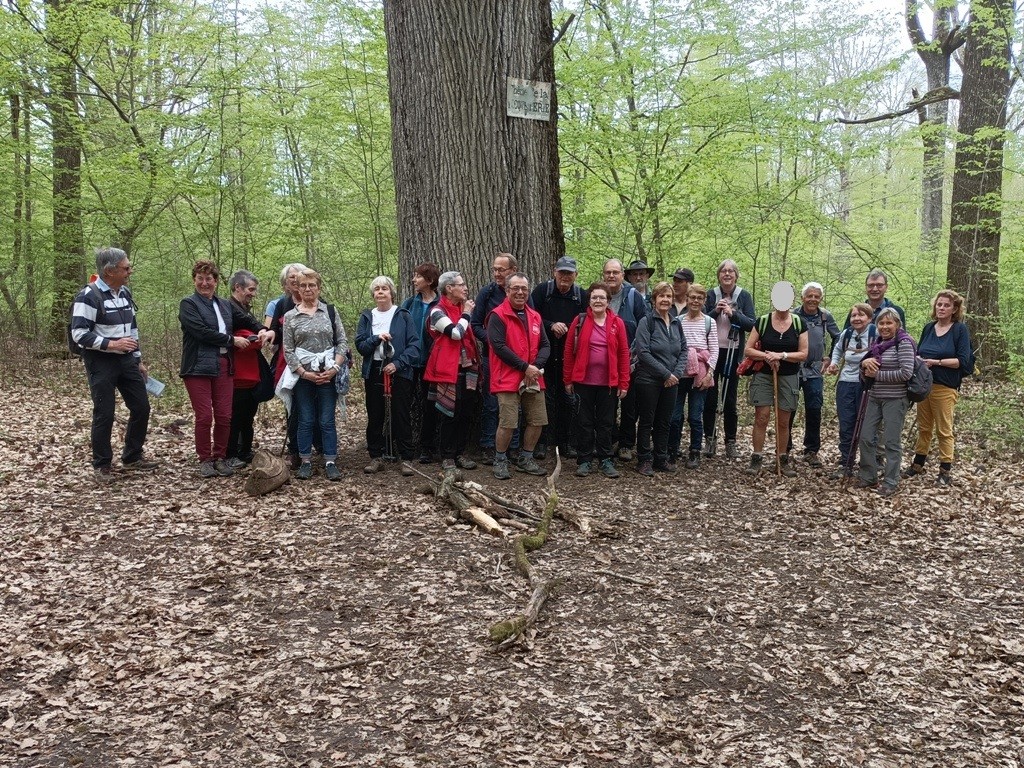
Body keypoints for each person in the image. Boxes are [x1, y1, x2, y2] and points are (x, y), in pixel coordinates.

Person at [70, 247, 156, 483]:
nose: (130, 271)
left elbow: (132, 328)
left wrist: (137, 358)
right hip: (101, 361)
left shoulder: (124, 293)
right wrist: (111, 344)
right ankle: (102, 465)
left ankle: (132, 455)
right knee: (104, 413)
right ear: (109, 271)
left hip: (127, 359)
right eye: (126, 268)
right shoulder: (88, 295)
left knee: (141, 407)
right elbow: (79, 334)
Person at [180, 260, 268, 478]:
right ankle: (205, 459)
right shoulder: (189, 304)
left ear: (216, 281)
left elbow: (246, 319)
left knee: (224, 415)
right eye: (200, 279)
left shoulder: (224, 304)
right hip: (198, 366)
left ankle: (220, 457)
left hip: (223, 365)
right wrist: (232, 340)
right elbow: (201, 332)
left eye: (209, 279)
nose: (204, 283)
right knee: (203, 416)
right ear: (194, 281)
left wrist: (265, 329)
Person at [282, 269, 348, 481]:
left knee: (327, 419)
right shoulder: (291, 316)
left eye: (312, 285)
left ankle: (330, 461)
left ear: (319, 288)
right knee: (306, 419)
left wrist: (334, 369)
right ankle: (305, 462)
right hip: (303, 377)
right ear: (297, 289)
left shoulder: (329, 311)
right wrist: (304, 373)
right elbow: (288, 350)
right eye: (303, 285)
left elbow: (342, 342)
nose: (308, 289)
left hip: (328, 373)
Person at [904, 289, 974, 486]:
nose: (942, 308)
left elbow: (962, 361)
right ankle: (918, 464)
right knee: (924, 427)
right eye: (939, 304)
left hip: (945, 387)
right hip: (924, 386)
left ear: (954, 309)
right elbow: (918, 352)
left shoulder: (959, 330)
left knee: (944, 429)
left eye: (946, 305)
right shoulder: (928, 328)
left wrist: (936, 362)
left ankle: (945, 470)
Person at [563, 282, 629, 479]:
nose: (598, 301)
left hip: (608, 383)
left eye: (602, 298)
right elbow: (568, 351)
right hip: (583, 382)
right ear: (589, 301)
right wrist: (568, 379)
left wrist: (624, 382)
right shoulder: (580, 321)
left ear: (608, 301)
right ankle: (584, 460)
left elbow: (624, 353)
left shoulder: (617, 323)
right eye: (594, 297)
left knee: (606, 423)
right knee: (584, 422)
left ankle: (605, 459)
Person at [488, 273, 551, 480]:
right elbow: (498, 347)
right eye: (515, 288)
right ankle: (500, 460)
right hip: (506, 378)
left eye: (524, 288)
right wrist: (525, 367)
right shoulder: (497, 315)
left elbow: (545, 345)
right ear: (507, 291)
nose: (520, 292)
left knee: (538, 420)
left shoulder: (535, 316)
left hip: (534, 377)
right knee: (508, 422)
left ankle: (526, 457)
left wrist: (535, 367)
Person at [356, 276, 420, 476]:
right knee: (375, 414)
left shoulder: (403, 315)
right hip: (374, 370)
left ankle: (406, 458)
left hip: (398, 370)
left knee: (401, 414)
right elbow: (360, 346)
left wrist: (398, 364)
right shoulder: (367, 317)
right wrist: (376, 339)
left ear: (391, 292)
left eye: (384, 288)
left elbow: (414, 346)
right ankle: (376, 456)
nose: (380, 292)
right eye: (377, 289)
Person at [742, 296, 809, 477]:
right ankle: (756, 458)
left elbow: (803, 354)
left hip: (789, 376)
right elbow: (748, 349)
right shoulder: (763, 321)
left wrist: (782, 356)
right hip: (763, 374)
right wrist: (767, 356)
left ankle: (782, 459)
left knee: (783, 420)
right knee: (761, 417)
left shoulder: (798, 323)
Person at [530, 256, 588, 460]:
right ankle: (541, 443)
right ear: (554, 272)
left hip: (570, 357)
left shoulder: (581, 295)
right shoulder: (541, 292)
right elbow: (531, 317)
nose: (565, 277)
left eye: (569, 273)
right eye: (561, 272)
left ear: (575, 275)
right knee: (542, 401)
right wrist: (550, 325)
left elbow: (588, 321)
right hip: (544, 356)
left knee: (568, 401)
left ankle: (566, 443)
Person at [857, 307, 915, 497]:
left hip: (896, 399)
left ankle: (890, 481)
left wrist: (878, 374)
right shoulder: (877, 343)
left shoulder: (904, 343)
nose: (885, 326)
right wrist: (864, 364)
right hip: (874, 396)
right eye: (881, 323)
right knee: (865, 436)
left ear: (897, 325)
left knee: (891, 441)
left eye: (889, 323)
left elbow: (906, 373)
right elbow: (867, 369)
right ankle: (868, 476)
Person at [425, 271, 480, 473]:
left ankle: (460, 453)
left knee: (466, 413)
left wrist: (464, 313)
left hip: (469, 368)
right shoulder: (437, 311)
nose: (465, 288)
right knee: (449, 413)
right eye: (461, 284)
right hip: (448, 370)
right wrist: (466, 313)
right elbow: (455, 334)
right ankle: (447, 456)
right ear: (449, 288)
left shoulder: (459, 308)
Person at [702, 259, 756, 459]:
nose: (726, 274)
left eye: (730, 271)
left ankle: (730, 441)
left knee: (730, 400)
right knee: (710, 397)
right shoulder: (710, 294)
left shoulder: (744, 296)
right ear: (718, 275)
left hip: (733, 352)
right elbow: (701, 321)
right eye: (723, 271)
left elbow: (751, 324)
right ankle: (710, 438)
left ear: (736, 275)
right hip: (712, 352)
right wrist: (716, 311)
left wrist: (733, 314)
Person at [633, 282, 687, 476]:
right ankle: (644, 460)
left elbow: (684, 350)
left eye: (668, 296)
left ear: (673, 300)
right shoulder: (646, 322)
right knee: (647, 421)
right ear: (654, 299)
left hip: (671, 381)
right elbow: (643, 352)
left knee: (665, 421)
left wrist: (676, 374)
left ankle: (660, 458)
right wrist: (666, 374)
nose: (665, 300)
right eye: (661, 296)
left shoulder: (676, 323)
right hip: (648, 380)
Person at [470, 252, 520, 464]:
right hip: (492, 358)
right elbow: (475, 325)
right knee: (492, 403)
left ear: (513, 271)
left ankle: (514, 448)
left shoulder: (522, 292)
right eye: (495, 269)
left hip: (518, 360)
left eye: (502, 269)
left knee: (516, 403)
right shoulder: (487, 293)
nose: (497, 274)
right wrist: (493, 341)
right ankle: (488, 445)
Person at [787, 282, 840, 468]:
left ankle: (811, 450)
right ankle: (784, 448)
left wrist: (832, 358)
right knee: (788, 407)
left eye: (816, 296)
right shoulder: (792, 314)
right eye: (809, 296)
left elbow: (838, 337)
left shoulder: (825, 316)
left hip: (816, 370)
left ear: (821, 298)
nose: (813, 299)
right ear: (803, 298)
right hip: (792, 368)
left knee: (814, 409)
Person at [668, 284, 718, 469]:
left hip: (702, 373)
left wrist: (710, 374)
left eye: (699, 298)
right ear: (687, 299)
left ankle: (695, 451)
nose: (695, 301)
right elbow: (675, 347)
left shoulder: (709, 322)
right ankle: (672, 450)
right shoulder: (678, 320)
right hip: (681, 372)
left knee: (696, 416)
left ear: (704, 301)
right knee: (675, 415)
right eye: (692, 298)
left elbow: (714, 350)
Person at [603, 258, 648, 462]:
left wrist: (634, 358)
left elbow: (644, 328)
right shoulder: (597, 296)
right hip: (603, 362)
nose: (611, 276)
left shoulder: (633, 297)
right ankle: (610, 440)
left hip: (630, 361)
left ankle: (626, 444)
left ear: (622, 275)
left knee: (630, 405)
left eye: (615, 272)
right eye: (608, 273)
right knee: (606, 404)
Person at [825, 303, 876, 479]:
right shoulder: (846, 334)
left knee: (865, 426)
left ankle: (868, 466)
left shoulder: (875, 333)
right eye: (854, 315)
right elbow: (838, 349)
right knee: (847, 425)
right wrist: (833, 363)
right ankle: (846, 463)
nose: (857, 318)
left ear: (869, 318)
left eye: (861, 315)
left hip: (867, 384)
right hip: (846, 383)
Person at [267, 262, 310, 467]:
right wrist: (270, 334)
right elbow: (274, 329)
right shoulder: (282, 305)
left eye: (298, 276)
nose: (295, 280)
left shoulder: (316, 301)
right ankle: (295, 450)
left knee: (312, 405)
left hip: (313, 363)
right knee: (292, 407)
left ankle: (312, 446)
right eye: (291, 277)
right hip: (288, 363)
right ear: (286, 283)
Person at [226, 270, 270, 469]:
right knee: (235, 414)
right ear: (238, 288)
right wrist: (257, 331)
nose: (253, 293)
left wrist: (260, 332)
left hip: (251, 371)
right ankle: (231, 452)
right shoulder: (228, 308)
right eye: (250, 289)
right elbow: (241, 328)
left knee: (247, 414)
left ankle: (245, 450)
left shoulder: (244, 308)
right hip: (236, 371)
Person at [400, 262, 441, 463]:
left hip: (431, 364)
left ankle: (427, 447)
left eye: (417, 276)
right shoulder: (408, 304)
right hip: (408, 363)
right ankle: (405, 446)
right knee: (405, 404)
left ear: (430, 281)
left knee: (430, 405)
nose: (414, 279)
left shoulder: (441, 305)